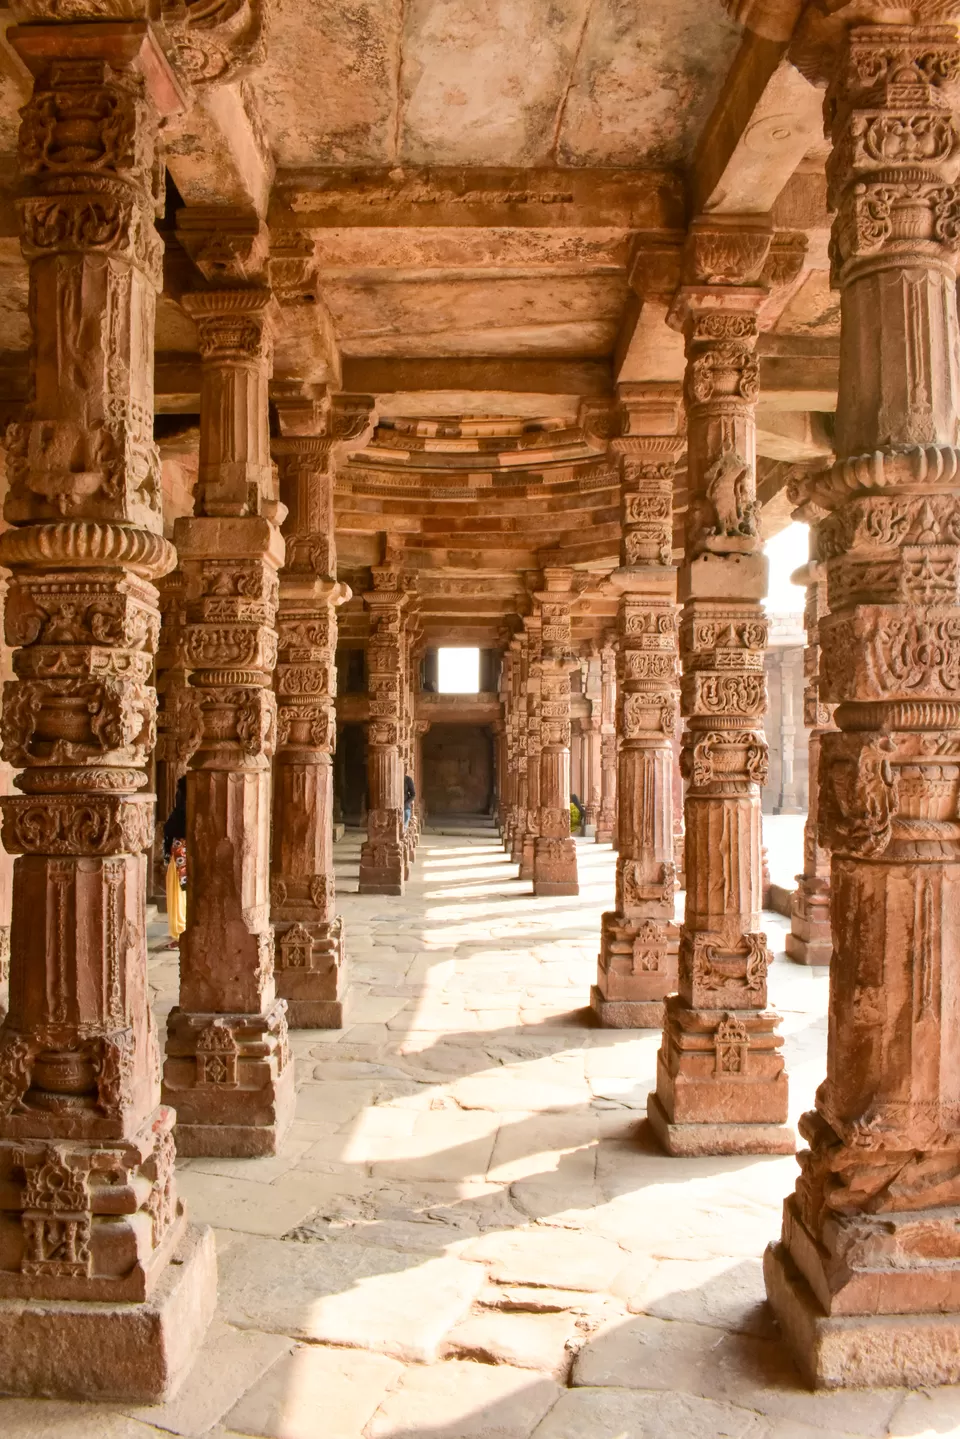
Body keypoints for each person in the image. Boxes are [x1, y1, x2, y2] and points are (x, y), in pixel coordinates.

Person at [163, 776, 188, 948]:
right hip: (181, 852)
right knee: (181, 891)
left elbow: (172, 827)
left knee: (179, 892)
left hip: (181, 853)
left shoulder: (184, 809)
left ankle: (181, 934)